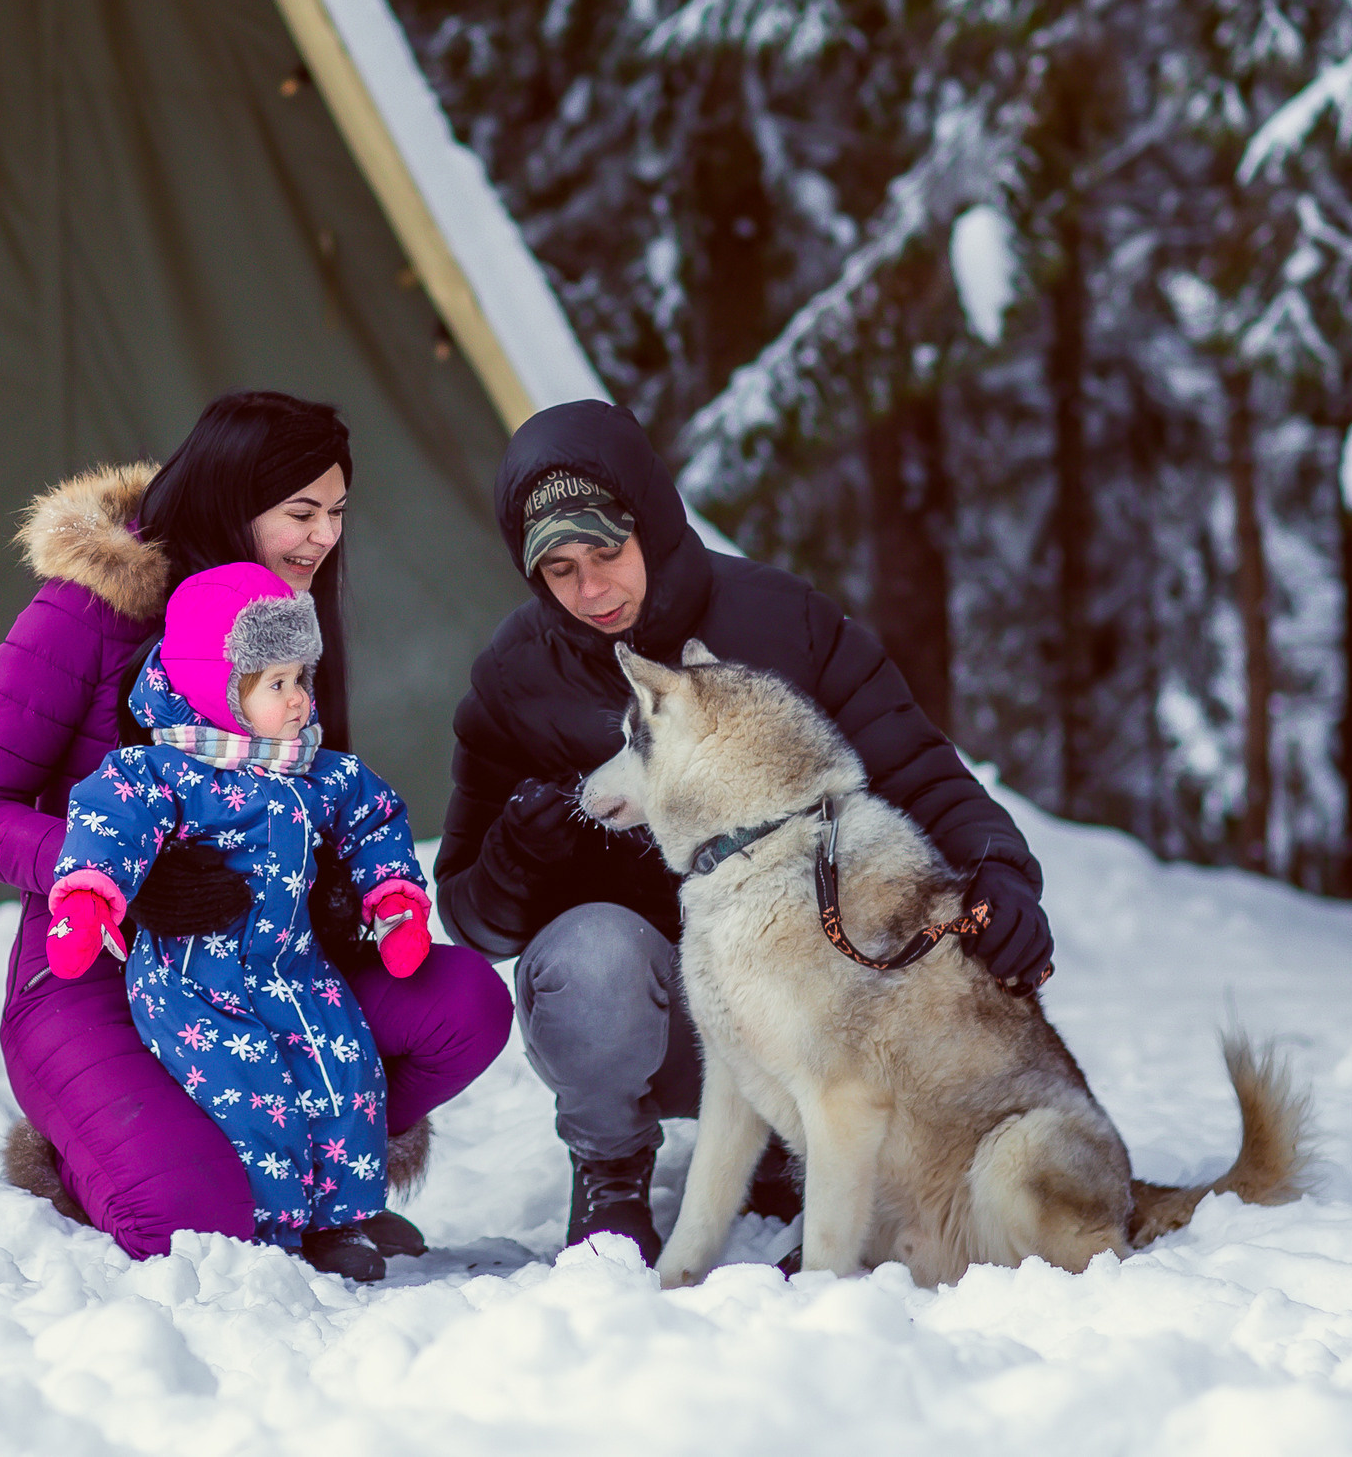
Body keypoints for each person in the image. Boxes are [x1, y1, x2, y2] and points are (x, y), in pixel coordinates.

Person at [436, 400, 1055, 1262]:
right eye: (562, 570)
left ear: (649, 523)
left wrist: (1000, 868)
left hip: (802, 993)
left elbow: (919, 771)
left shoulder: (779, 621)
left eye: (609, 552)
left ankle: (796, 1151)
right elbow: (466, 914)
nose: (593, 590)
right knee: (593, 958)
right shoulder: (514, 680)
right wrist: (517, 854)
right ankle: (612, 1164)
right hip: (644, 1007)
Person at [0, 391, 512, 1261]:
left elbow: (328, 793)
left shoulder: (285, 627)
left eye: (338, 513)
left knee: (463, 1003)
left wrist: (341, 882)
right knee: (193, 1226)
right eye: (301, 513)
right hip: (94, 975)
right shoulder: (84, 612)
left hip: (269, 963)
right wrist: (137, 878)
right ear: (229, 501)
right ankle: (111, 1154)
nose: (326, 537)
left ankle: (317, 1178)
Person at [45, 562, 437, 1281]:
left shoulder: (315, 770)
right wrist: (87, 899)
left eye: (301, 678)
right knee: (259, 1102)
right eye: (275, 684)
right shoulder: (166, 770)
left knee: (345, 1077)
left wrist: (395, 900)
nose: (297, 702)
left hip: (293, 971)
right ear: (218, 689)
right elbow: (108, 816)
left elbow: (375, 816)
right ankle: (269, 1233)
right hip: (196, 984)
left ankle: (338, 1220)